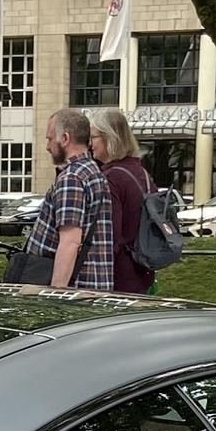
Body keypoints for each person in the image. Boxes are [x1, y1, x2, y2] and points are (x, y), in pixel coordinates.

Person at [26, 107, 113, 291]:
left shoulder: (72, 178)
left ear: (65, 139)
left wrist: (56, 292)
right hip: (93, 283)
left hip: (75, 289)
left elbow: (70, 242)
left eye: (50, 139)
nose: (47, 147)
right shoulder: (93, 171)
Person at [91, 107, 156, 294]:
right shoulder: (141, 172)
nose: (90, 144)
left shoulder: (112, 178)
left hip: (119, 276)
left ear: (109, 138)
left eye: (94, 137)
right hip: (144, 269)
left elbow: (110, 236)